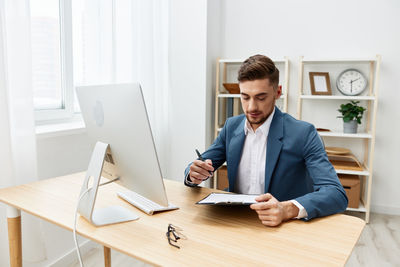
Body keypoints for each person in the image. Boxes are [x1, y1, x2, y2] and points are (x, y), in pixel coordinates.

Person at [184, 54, 348, 226]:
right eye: (245, 97)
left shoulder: (304, 133)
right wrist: (193, 174)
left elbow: (335, 193)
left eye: (261, 97)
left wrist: (287, 209)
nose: (252, 107)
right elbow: (200, 163)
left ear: (278, 92)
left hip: (281, 226)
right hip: (235, 221)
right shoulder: (231, 126)